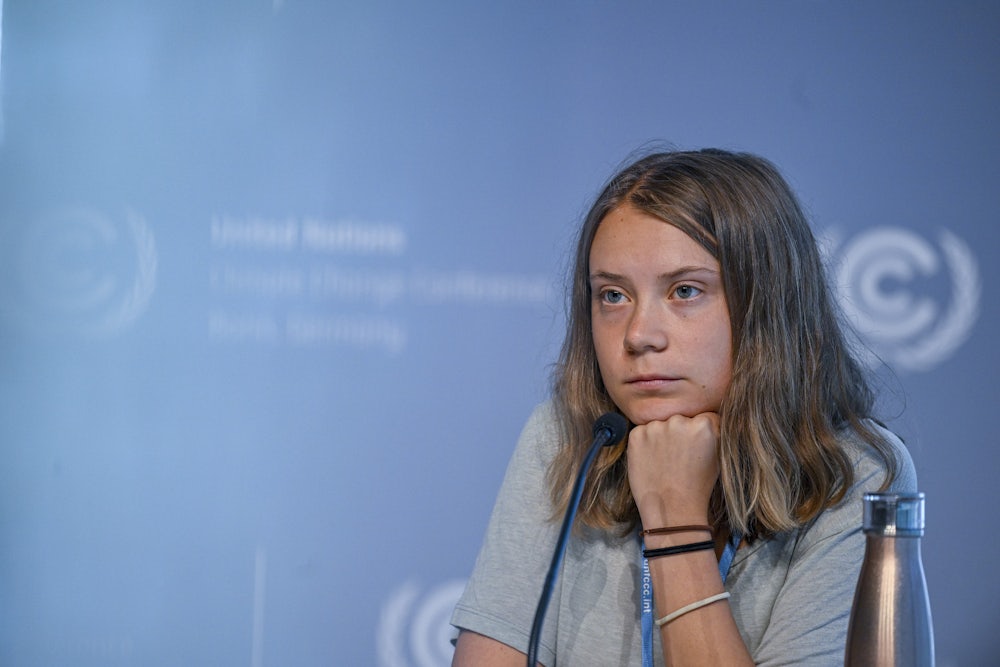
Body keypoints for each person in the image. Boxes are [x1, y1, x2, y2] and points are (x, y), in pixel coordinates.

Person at [449, 148, 916, 666]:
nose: (639, 335)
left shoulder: (856, 475)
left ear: (764, 305)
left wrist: (676, 528)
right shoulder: (568, 437)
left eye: (685, 290)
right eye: (612, 296)